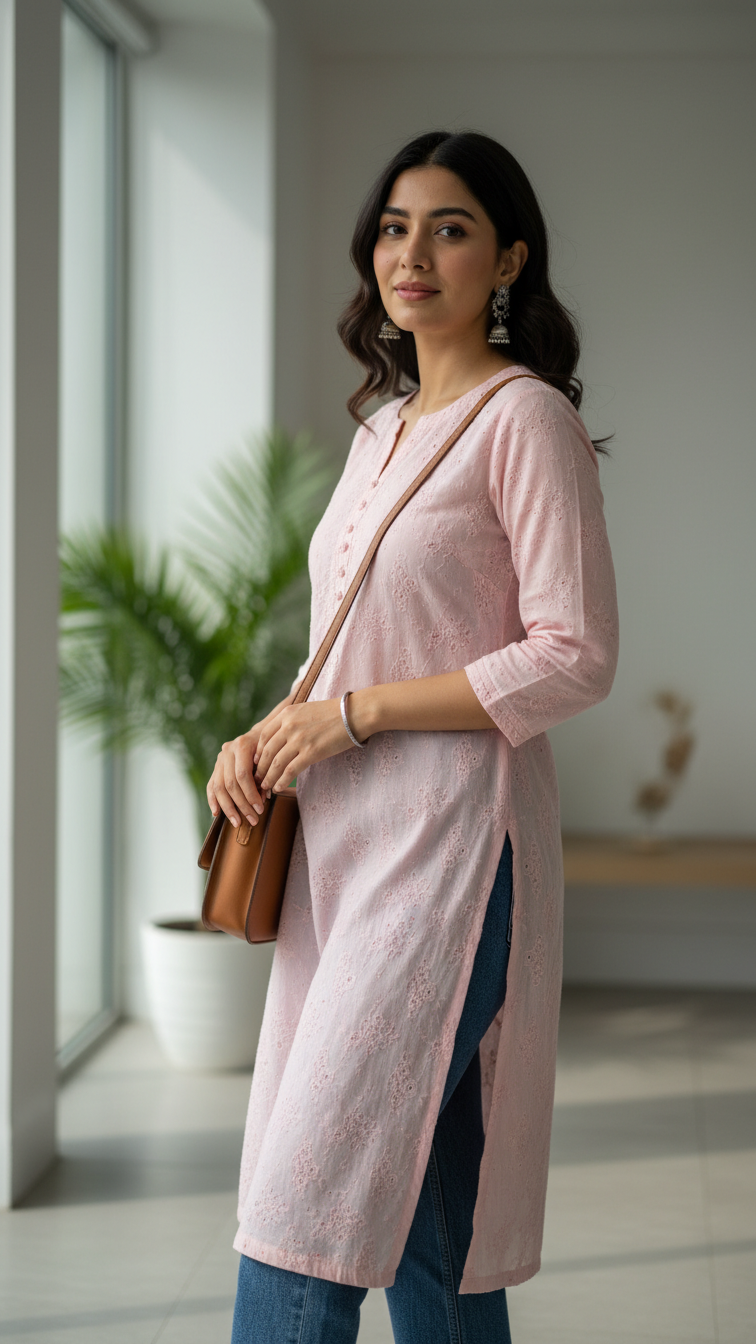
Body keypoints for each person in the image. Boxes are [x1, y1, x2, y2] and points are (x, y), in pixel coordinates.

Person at [207, 129, 619, 1344]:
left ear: (509, 260)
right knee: (433, 1237)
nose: (414, 253)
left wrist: (357, 717)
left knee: (304, 1205)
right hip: (343, 848)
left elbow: (575, 653)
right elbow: (354, 631)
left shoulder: (524, 420)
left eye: (450, 228)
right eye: (396, 226)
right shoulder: (380, 426)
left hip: (450, 854)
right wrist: (277, 722)